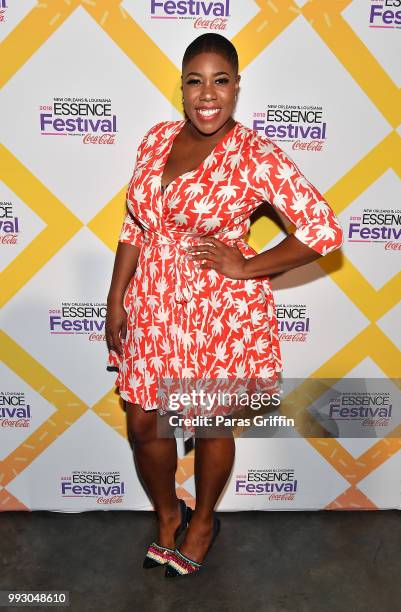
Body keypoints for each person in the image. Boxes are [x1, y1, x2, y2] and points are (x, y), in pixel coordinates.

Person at [105, 33, 343, 578]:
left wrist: (244, 266)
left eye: (220, 81)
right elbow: (133, 225)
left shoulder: (256, 153)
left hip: (217, 313)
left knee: (211, 425)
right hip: (153, 303)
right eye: (195, 81)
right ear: (182, 87)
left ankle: (205, 520)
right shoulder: (156, 138)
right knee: (144, 424)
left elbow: (322, 229)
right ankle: (169, 516)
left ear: (237, 87)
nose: (207, 94)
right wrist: (116, 297)